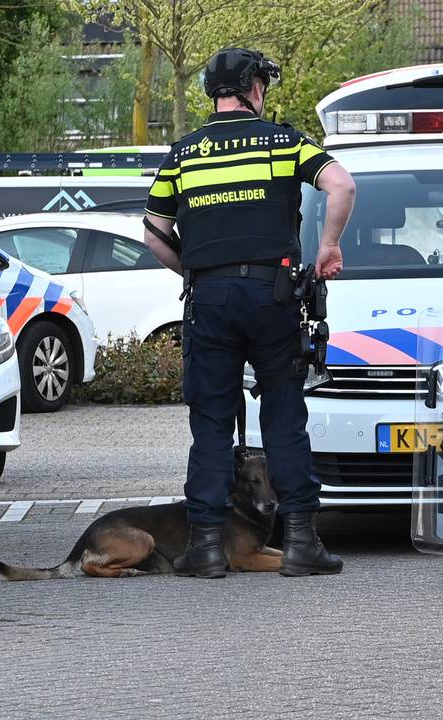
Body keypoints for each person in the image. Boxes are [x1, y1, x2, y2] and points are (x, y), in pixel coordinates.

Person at [142, 47, 356, 579]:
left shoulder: (183, 154)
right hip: (274, 295)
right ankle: (302, 542)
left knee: (211, 423)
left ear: (215, 94)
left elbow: (153, 234)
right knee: (284, 418)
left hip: (209, 301)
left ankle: (208, 548)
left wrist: (193, 275)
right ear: (253, 88)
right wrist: (328, 247)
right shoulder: (284, 142)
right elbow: (342, 185)